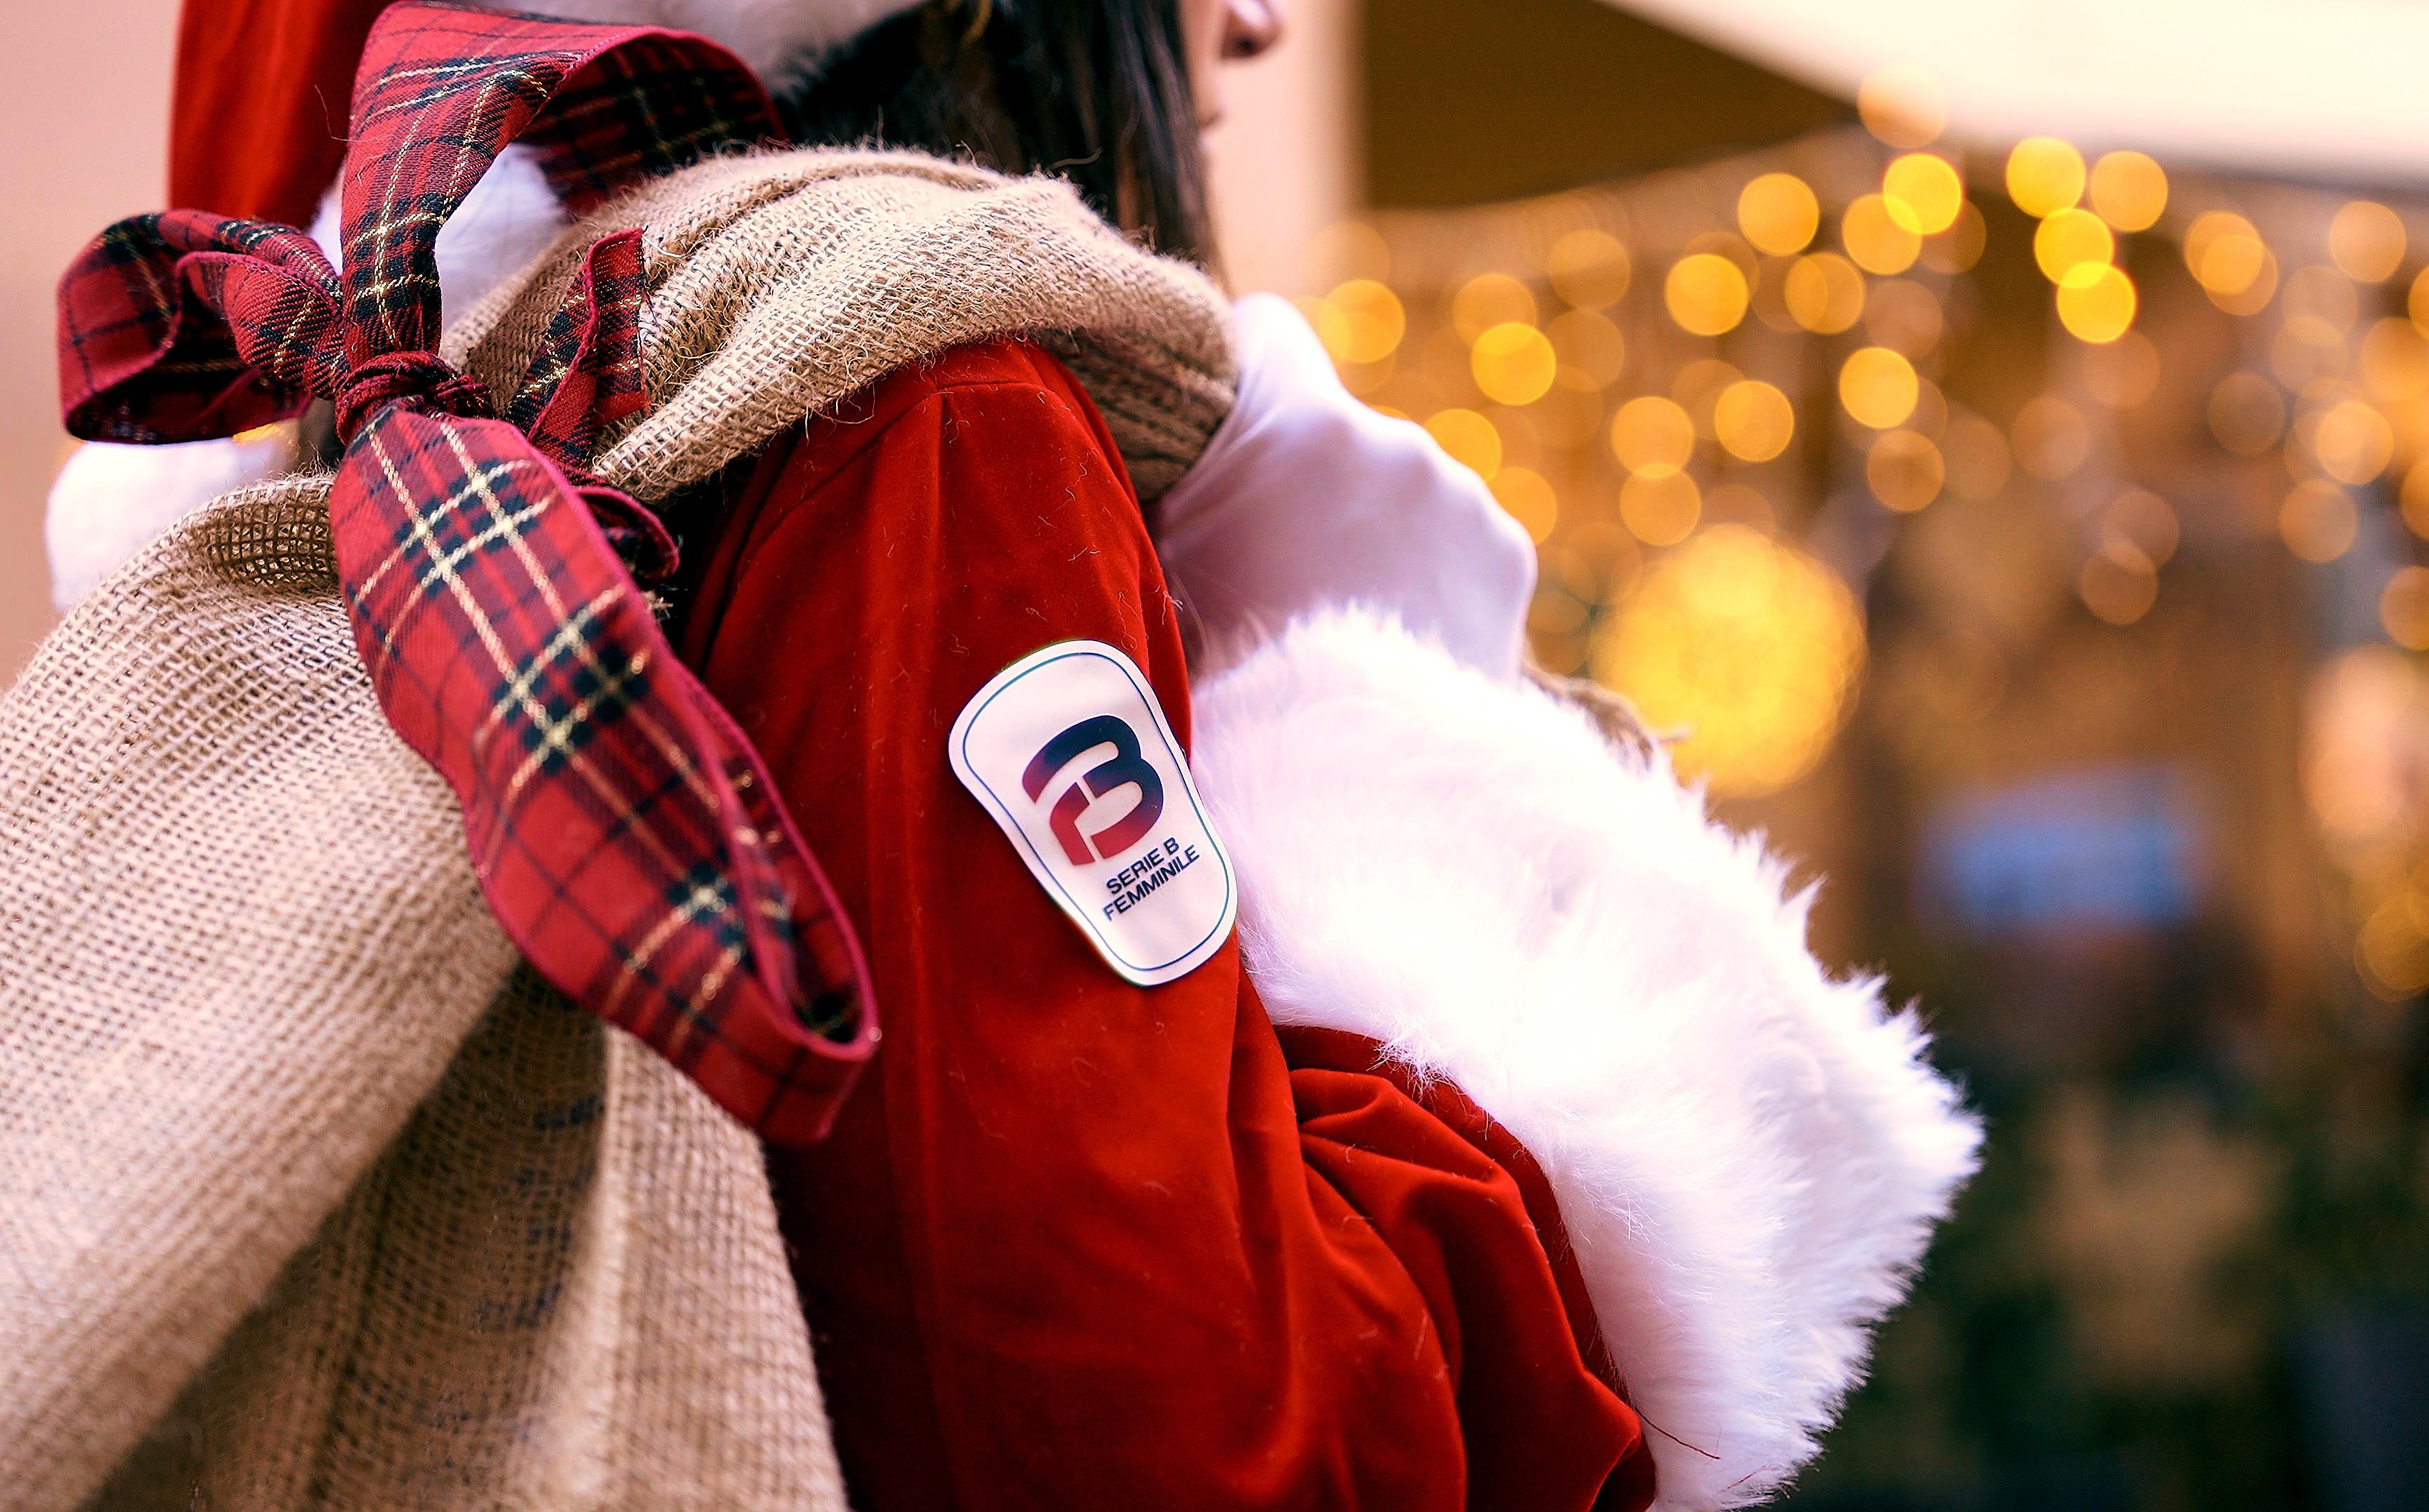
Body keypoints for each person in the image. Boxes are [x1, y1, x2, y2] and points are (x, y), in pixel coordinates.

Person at [39, 2, 1981, 1508]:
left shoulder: (441, 436)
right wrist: (1432, 835)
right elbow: (1212, 1460)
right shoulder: (931, 417)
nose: (1253, 25)